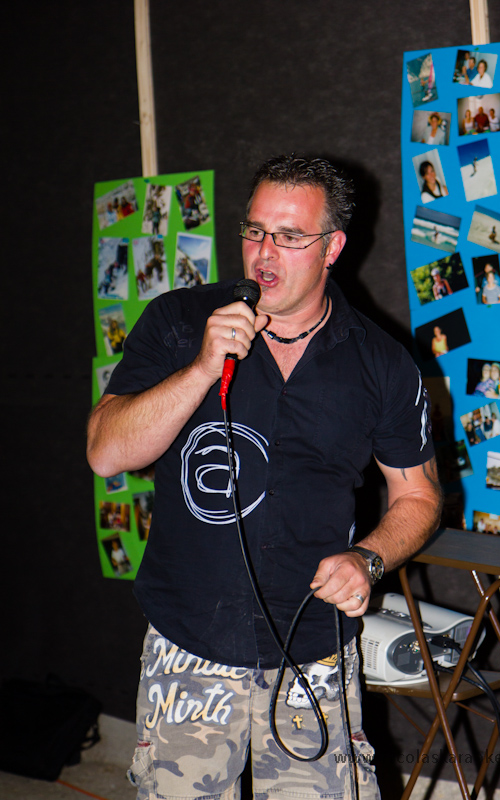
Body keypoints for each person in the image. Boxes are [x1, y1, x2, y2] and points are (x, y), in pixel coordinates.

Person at [87, 154, 442, 800]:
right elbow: (107, 452)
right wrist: (201, 367)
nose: (264, 253)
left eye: (289, 236)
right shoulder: (179, 321)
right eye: (254, 230)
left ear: (332, 247)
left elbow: (417, 496)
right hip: (189, 641)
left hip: (313, 650)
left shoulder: (382, 364)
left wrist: (367, 559)